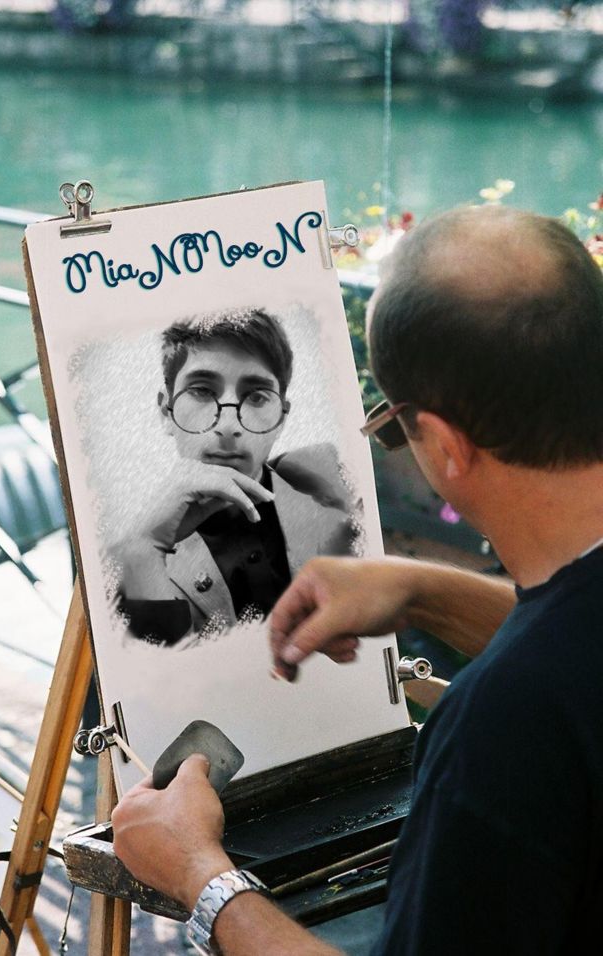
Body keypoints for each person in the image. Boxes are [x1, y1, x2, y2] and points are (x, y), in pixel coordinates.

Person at [111, 204, 603, 955]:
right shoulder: (546, 683)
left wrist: (201, 877)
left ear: (443, 445)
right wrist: (422, 589)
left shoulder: (497, 732)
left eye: (393, 428)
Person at [115, 307, 356, 647]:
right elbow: (158, 669)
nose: (228, 425)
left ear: (281, 417)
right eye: (202, 391)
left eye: (256, 397)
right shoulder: (118, 558)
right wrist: (144, 549)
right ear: (166, 412)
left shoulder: (338, 510)